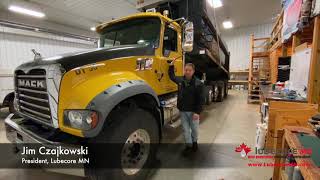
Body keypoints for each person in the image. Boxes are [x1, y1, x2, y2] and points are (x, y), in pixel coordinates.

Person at [168, 60, 204, 155]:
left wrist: (197, 112)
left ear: (193, 71)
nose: (187, 72)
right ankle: (188, 145)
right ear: (184, 70)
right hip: (183, 111)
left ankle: (194, 142)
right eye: (186, 70)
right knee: (185, 130)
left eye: (189, 70)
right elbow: (172, 77)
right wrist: (171, 66)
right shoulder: (181, 80)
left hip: (193, 112)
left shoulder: (198, 83)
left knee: (194, 129)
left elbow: (201, 99)